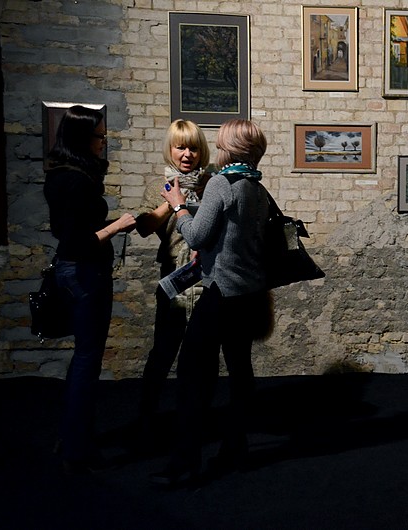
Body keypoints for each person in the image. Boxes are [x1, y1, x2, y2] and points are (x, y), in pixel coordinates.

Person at [152, 119, 271, 487]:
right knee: (240, 372)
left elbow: (196, 235)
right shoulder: (256, 187)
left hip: (220, 293)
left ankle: (184, 462)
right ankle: (236, 449)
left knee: (192, 377)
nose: (215, 149)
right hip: (249, 294)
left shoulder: (221, 183)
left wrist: (178, 207)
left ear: (228, 148)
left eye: (220, 144)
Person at [43, 105, 136, 474]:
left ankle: (72, 435)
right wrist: (117, 226)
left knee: (83, 357)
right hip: (85, 272)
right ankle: (77, 447)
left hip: (72, 270)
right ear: (84, 139)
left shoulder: (58, 174)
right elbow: (79, 241)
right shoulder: (77, 181)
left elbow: (63, 231)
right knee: (87, 360)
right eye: (99, 136)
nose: (103, 142)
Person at [134, 119, 212, 422]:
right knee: (164, 349)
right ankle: (146, 416)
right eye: (181, 147)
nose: (187, 154)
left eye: (193, 148)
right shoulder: (160, 186)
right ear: (171, 149)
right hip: (173, 276)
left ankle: (195, 417)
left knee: (202, 351)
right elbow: (144, 227)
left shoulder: (211, 184)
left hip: (206, 275)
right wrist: (172, 202)